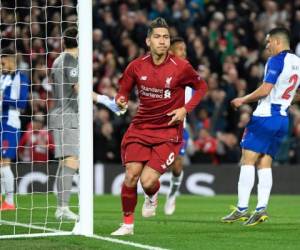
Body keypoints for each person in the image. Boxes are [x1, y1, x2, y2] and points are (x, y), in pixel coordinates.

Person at [111, 17, 208, 236]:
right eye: (157, 37)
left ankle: (152, 195)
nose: (163, 41)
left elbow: (202, 87)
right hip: (140, 128)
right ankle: (127, 225)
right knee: (131, 176)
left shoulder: (181, 67)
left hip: (168, 132)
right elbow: (123, 89)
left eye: (165, 37)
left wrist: (185, 109)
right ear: (148, 41)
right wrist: (121, 99)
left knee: (147, 181)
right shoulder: (136, 66)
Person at [222, 27, 300, 226]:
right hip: (283, 118)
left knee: (247, 159)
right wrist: (288, 99)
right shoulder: (298, 63)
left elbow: (265, 89)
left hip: (266, 115)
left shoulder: (276, 60)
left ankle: (241, 208)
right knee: (264, 163)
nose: (266, 46)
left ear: (277, 41)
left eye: (268, 42)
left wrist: (243, 99)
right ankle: (260, 209)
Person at [49, 26, 124, 221]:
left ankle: (61, 206)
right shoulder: (70, 60)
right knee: (72, 160)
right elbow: (78, 88)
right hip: (68, 115)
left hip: (59, 113)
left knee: (65, 162)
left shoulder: (57, 60)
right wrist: (105, 100)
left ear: (64, 41)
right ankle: (63, 207)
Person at [0, 48, 30, 210]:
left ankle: (9, 201)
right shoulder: (2, 77)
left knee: (5, 163)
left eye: (3, 62)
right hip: (0, 121)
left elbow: (23, 104)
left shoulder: (21, 78)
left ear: (11, 61)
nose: (1, 65)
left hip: (10, 123)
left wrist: (4, 99)